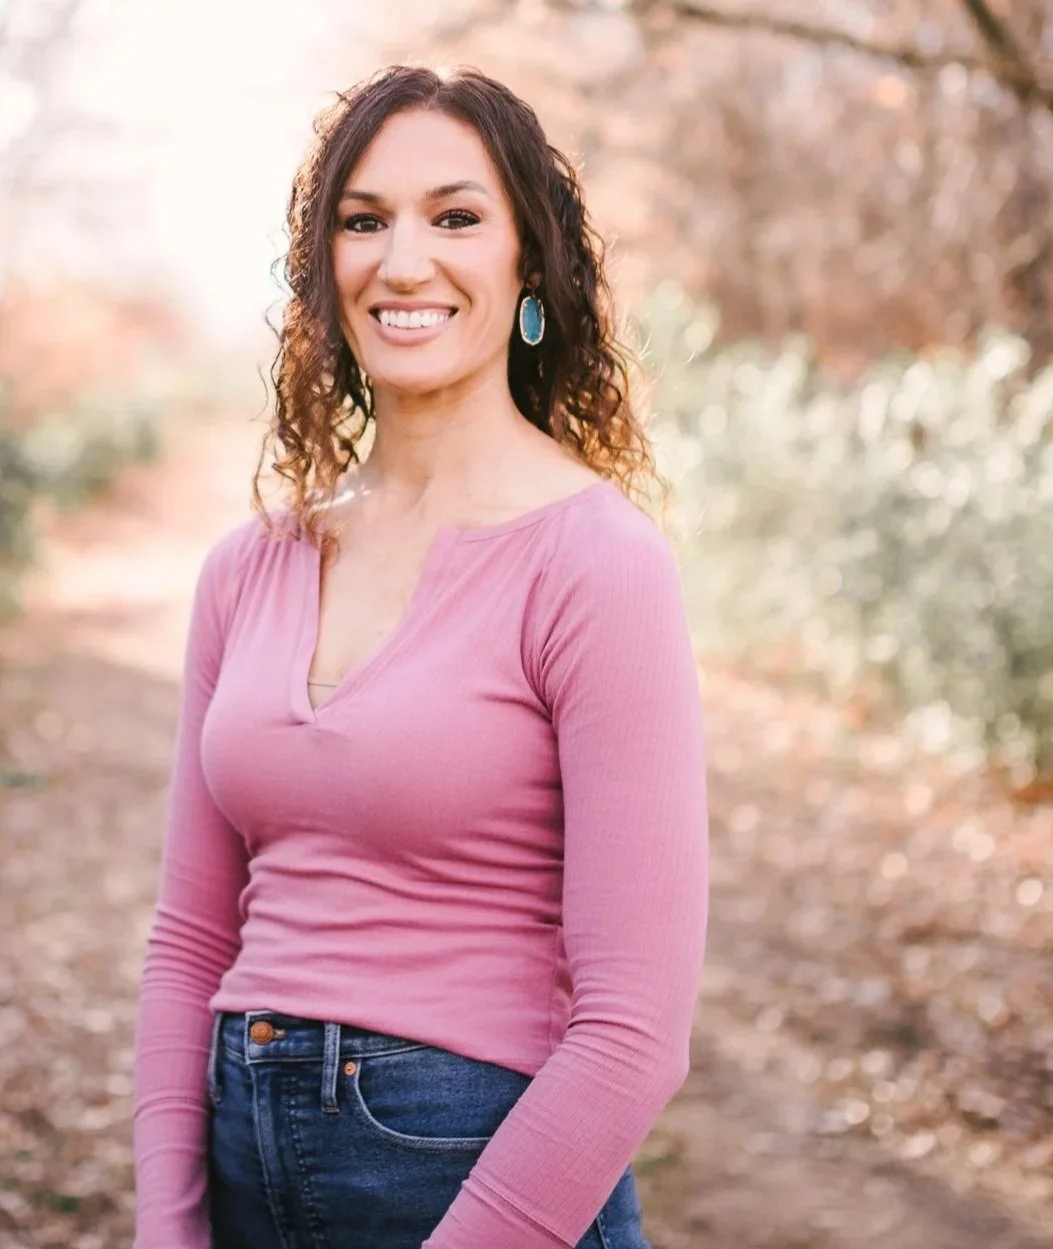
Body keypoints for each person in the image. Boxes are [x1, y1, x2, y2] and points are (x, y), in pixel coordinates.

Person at [131, 63, 709, 1249]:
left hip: (487, 1186)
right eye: (364, 221)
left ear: (529, 263)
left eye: (454, 217)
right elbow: (189, 940)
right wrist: (166, 1226)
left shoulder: (594, 562)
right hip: (246, 1180)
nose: (402, 262)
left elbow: (633, 1032)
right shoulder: (248, 566)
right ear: (322, 268)